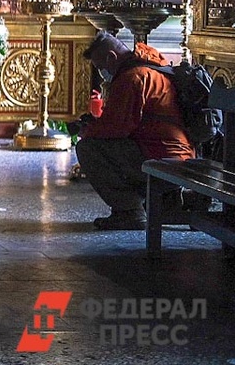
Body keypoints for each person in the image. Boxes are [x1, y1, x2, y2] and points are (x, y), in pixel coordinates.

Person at [70, 31, 193, 230]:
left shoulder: (132, 77)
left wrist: (86, 131)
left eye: (101, 67)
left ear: (111, 57)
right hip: (177, 153)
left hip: (162, 157)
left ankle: (128, 211)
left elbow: (115, 128)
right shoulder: (149, 65)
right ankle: (164, 200)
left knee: (87, 148)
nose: (102, 73)